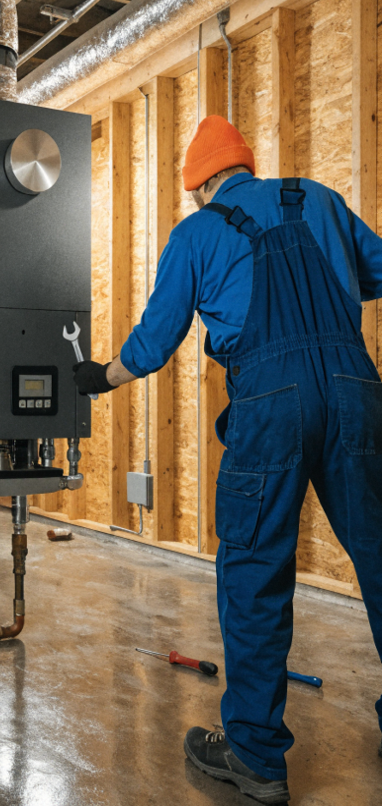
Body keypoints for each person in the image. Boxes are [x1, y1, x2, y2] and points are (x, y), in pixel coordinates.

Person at [73, 115, 382, 804]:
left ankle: (255, 755)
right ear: (246, 167)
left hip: (271, 403)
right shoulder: (320, 200)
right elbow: (377, 271)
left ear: (199, 187)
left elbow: (153, 344)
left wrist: (99, 377)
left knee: (254, 572)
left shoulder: (198, 233)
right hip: (357, 389)